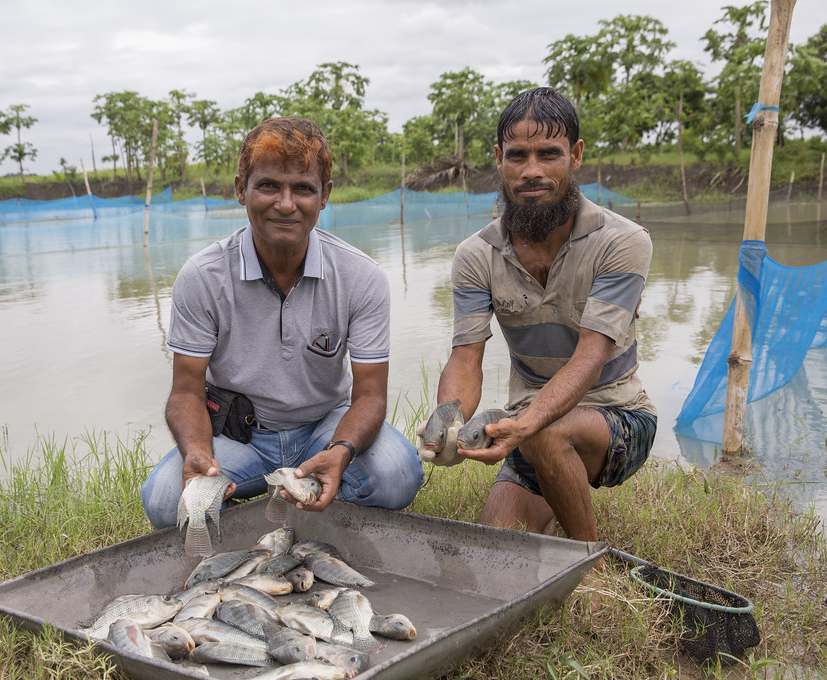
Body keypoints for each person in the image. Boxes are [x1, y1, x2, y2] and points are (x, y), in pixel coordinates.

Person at [141, 116, 424, 529]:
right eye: (269, 185)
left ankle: (317, 503)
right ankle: (255, 526)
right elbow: (185, 392)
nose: (286, 204)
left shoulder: (361, 277)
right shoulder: (202, 276)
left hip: (326, 425)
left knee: (397, 476)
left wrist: (342, 449)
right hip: (240, 437)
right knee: (167, 501)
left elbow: (369, 397)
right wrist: (197, 450)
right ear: (242, 189)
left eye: (303, 189)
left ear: (324, 195)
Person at [418, 87, 657, 545]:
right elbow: (466, 358)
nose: (532, 171)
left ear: (576, 155)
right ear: (499, 160)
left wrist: (528, 424)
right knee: (496, 547)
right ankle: (549, 484)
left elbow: (591, 357)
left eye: (549, 154)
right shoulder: (475, 255)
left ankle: (591, 561)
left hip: (618, 418)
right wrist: (447, 423)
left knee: (547, 433)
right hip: (529, 426)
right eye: (518, 155)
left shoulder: (623, 241)